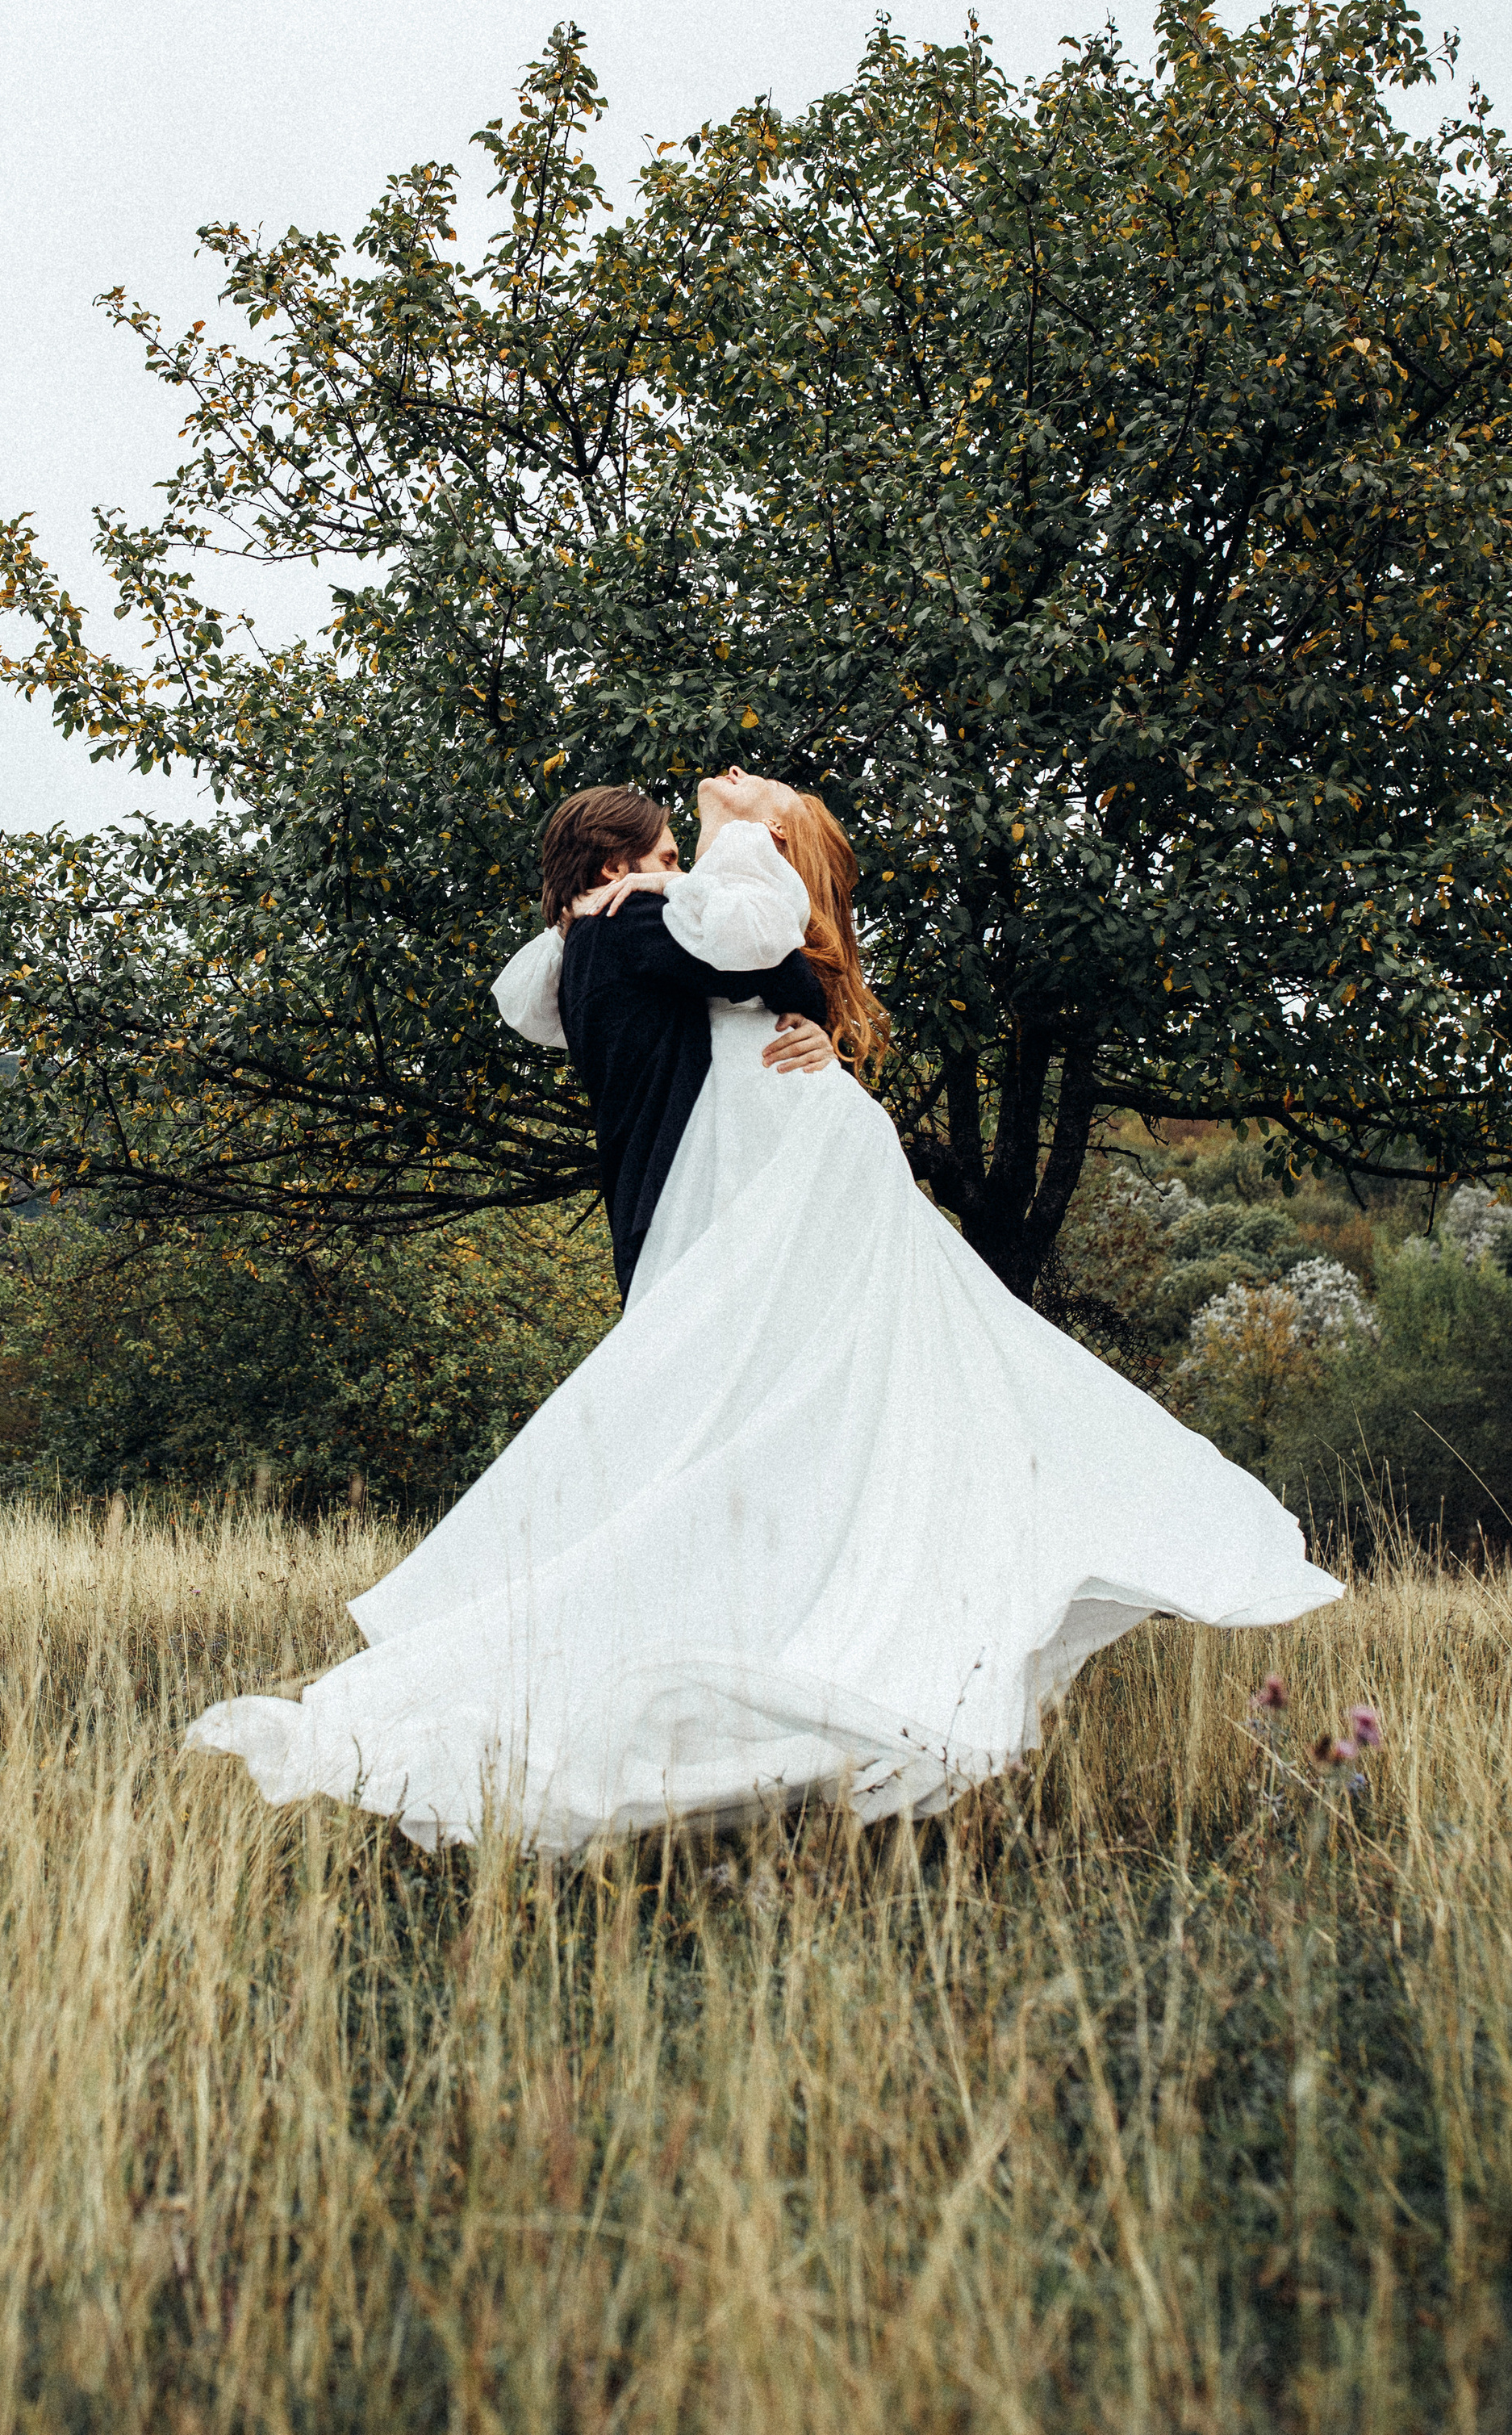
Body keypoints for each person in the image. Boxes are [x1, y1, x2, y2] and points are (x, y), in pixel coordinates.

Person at [186, 768, 1341, 1852]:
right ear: (617, 862)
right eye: (667, 853)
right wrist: (727, 841)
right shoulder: (640, 930)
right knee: (742, 1460)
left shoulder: (616, 942)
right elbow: (750, 947)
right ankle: (727, 1686)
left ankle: (763, 1682)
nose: (686, 865)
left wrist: (724, 907)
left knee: (745, 1460)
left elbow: (734, 960)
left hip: (750, 1213)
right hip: (741, 1219)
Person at [491, 781, 839, 1302]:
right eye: (668, 860)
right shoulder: (624, 920)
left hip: (656, 1187)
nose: (678, 879)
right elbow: (779, 969)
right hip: (686, 1190)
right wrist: (814, 1015)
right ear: (614, 868)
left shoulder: (587, 943)